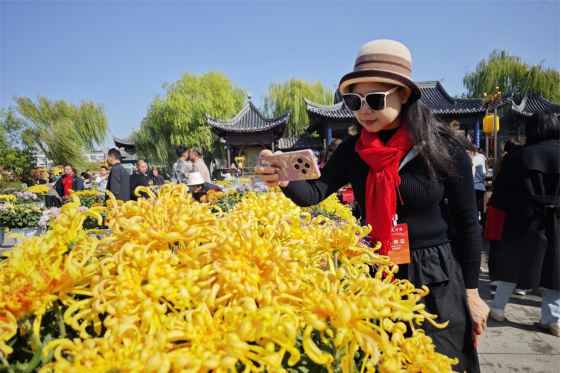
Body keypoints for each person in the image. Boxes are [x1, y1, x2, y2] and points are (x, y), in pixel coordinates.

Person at [255, 39, 487, 371]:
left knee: (443, 361)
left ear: (404, 94)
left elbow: (468, 223)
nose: (363, 110)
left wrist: (472, 293)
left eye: (375, 99)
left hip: (434, 273)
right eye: (353, 100)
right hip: (376, 270)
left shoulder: (441, 146)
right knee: (378, 359)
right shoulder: (352, 151)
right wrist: (283, 179)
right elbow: (314, 193)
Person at [488, 111, 560, 336]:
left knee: (513, 263)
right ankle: (553, 319)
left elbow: (500, 192)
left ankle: (498, 308)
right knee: (555, 266)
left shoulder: (517, 156)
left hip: (523, 217)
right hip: (558, 216)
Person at [485, 139, 523, 288]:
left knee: (495, 244)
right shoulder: (512, 159)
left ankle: (494, 276)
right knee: (509, 244)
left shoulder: (502, 158)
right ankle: (510, 277)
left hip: (496, 203)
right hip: (508, 206)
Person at [473, 149, 487, 225]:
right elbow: (483, 174)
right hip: (480, 186)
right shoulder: (482, 158)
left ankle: (476, 224)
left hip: (473, 186)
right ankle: (478, 224)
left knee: (473, 207)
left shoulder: (474, 158)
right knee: (477, 207)